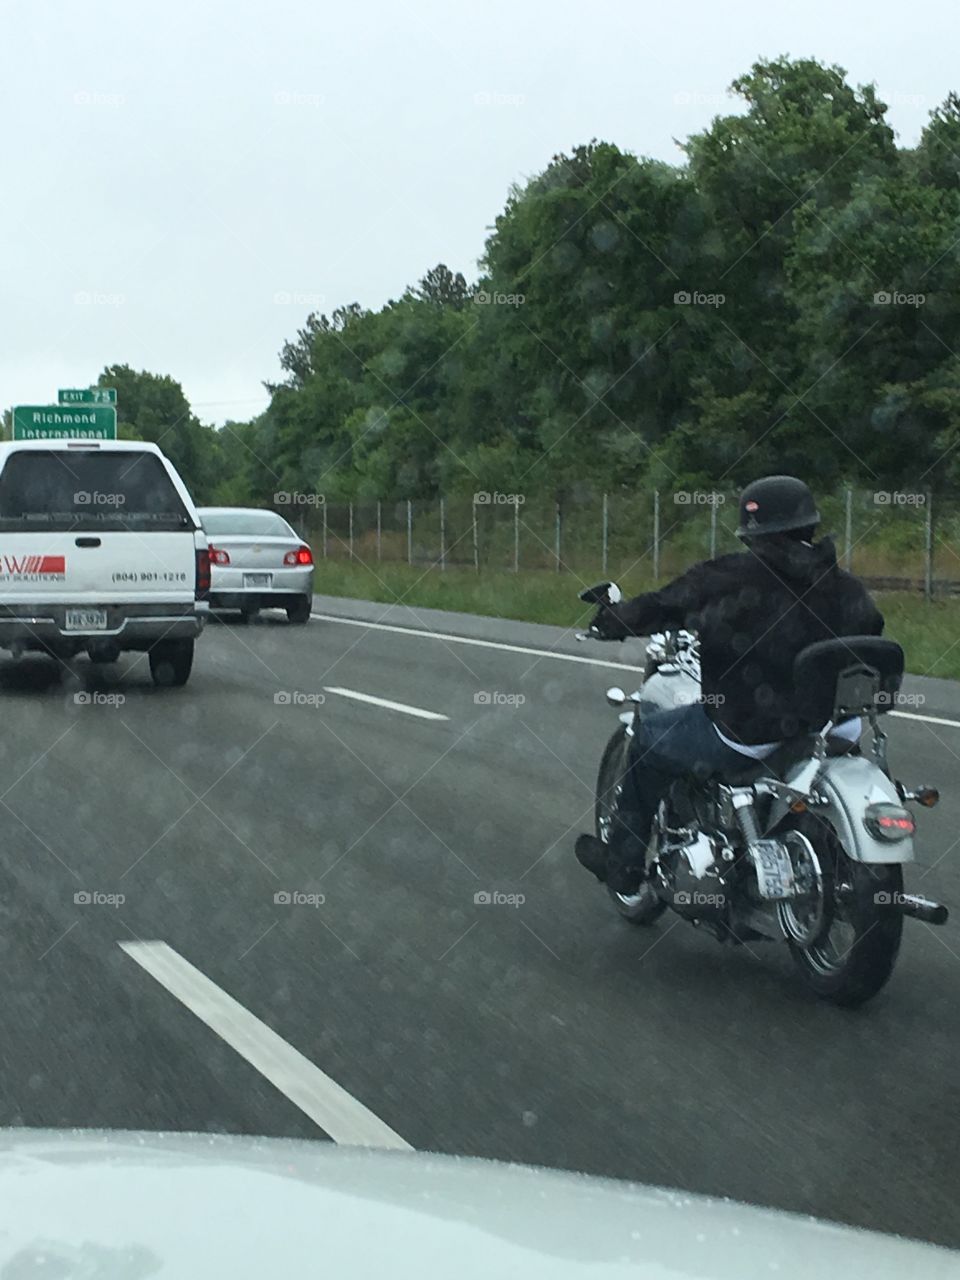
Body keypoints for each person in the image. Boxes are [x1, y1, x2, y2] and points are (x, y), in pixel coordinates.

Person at [575, 475, 884, 894]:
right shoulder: (846, 586)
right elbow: (871, 638)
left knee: (648, 740)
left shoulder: (729, 578)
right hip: (833, 729)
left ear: (751, 530)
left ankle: (624, 866)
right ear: (809, 523)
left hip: (750, 732)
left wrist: (611, 621)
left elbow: (662, 606)